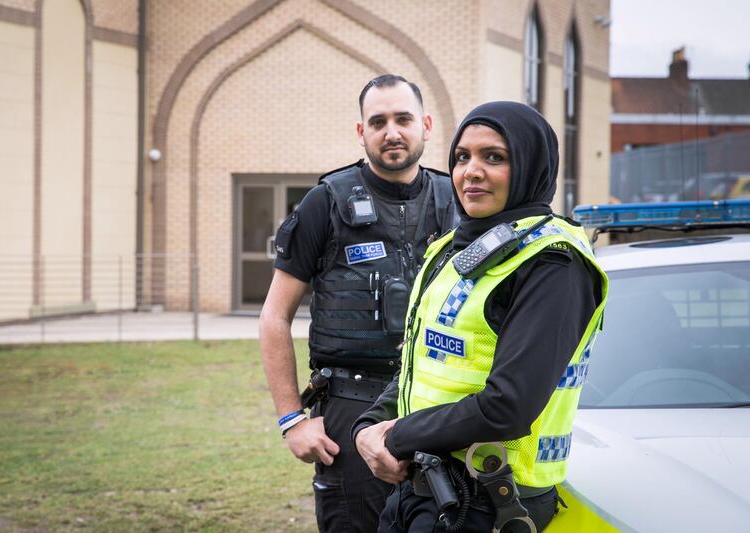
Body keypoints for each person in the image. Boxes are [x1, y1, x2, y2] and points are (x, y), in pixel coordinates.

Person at [352, 101, 609, 532]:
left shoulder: (554, 265)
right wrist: (369, 426)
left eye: (494, 157)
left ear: (531, 166)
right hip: (418, 492)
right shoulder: (452, 248)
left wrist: (395, 436)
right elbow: (422, 360)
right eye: (461, 157)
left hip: (484, 504)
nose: (471, 171)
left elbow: (508, 406)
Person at [259, 74, 457, 533]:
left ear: (425, 124)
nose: (392, 131)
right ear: (361, 132)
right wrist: (292, 420)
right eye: (378, 121)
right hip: (349, 407)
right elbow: (274, 316)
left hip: (437, 404)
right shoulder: (324, 203)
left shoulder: (457, 202)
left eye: (403, 119)